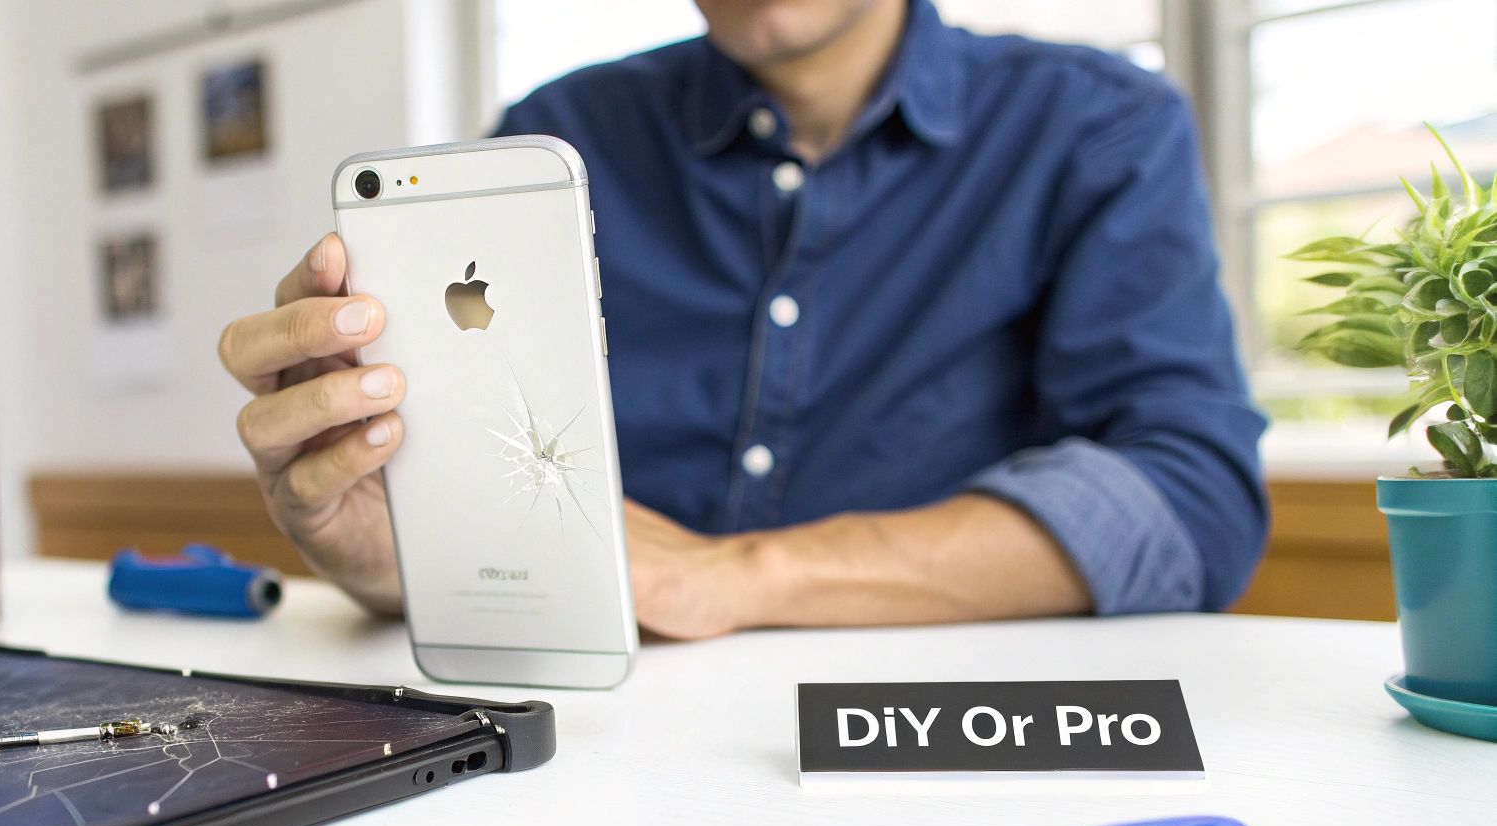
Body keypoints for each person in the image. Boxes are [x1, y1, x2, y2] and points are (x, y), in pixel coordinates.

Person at [217, 0, 1267, 640]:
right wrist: (395, 553)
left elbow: (1192, 498)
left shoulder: (1096, 125)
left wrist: (741, 577)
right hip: (601, 745)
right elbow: (494, 501)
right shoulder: (555, 136)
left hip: (931, 741)